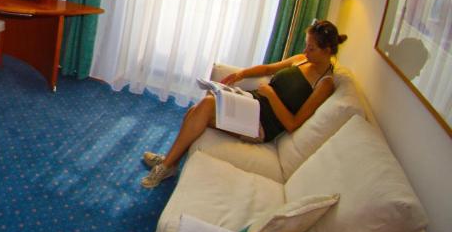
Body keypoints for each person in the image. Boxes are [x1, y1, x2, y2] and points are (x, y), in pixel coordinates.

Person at [141, 19, 348, 188]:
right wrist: (240, 74)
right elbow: (268, 69)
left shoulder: (325, 84)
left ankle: (167, 164)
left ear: (327, 50)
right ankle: (169, 162)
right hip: (252, 104)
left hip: (261, 126)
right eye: (306, 45)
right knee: (201, 107)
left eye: (311, 48)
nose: (306, 50)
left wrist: (270, 95)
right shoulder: (302, 59)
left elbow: (293, 124)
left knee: (202, 109)